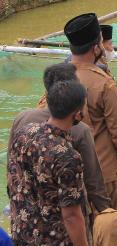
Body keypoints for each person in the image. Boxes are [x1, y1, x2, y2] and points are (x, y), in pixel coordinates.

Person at [8, 80, 99, 246]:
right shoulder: (68, 157)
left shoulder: (24, 133)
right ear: (77, 114)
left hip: (23, 238)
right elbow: (71, 215)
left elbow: (13, 179)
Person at [10, 63, 111, 215]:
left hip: (25, 214)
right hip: (62, 219)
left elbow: (12, 167)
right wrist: (106, 212)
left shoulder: (22, 119)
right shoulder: (79, 130)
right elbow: (93, 183)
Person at [65, 13, 117, 210]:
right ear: (96, 47)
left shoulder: (59, 79)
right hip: (107, 174)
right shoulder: (104, 84)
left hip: (74, 173)